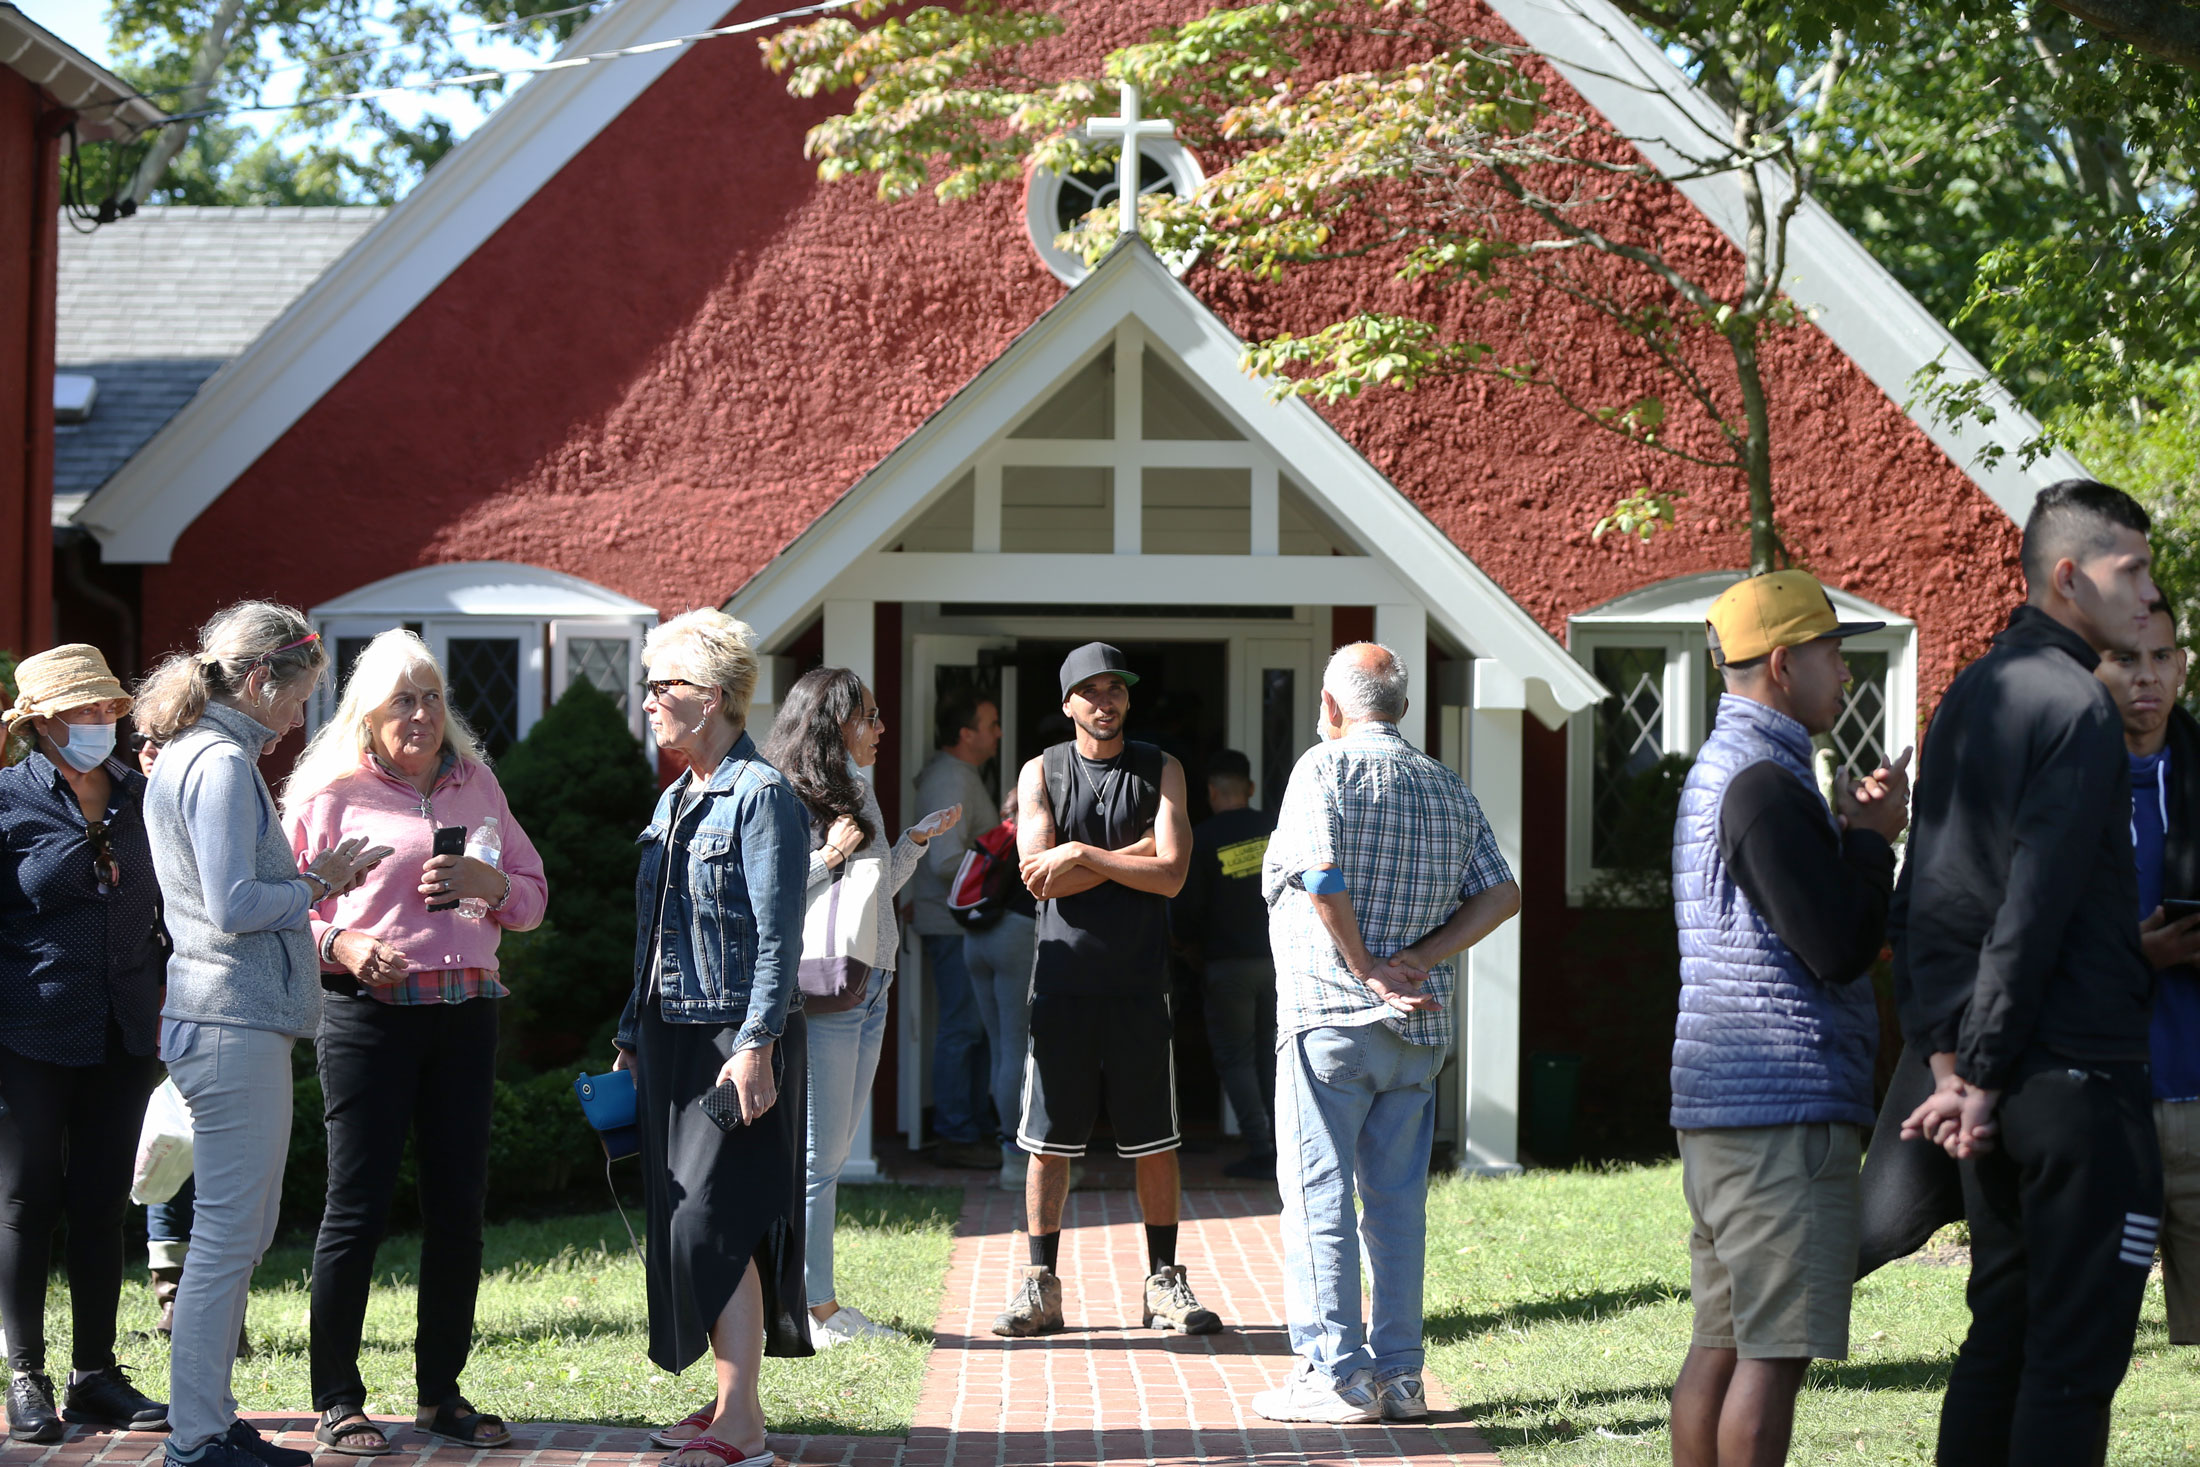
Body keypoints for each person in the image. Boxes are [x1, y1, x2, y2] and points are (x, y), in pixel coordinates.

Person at [1896, 479, 2163, 1465]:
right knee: (2071, 1362)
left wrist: (1948, 1063)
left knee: (2003, 1338)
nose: (2147, 592)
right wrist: (1981, 1071)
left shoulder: (1970, 692)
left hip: (1995, 1083)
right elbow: (2029, 907)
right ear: (2066, 577)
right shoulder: (2075, 709)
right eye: (2128, 569)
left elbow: (1922, 894)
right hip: (2072, 1086)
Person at [280, 629, 549, 1453]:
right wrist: (345, 946)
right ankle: (337, 1397)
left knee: (458, 1209)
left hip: (467, 1011)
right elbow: (283, 908)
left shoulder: (478, 787)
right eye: (404, 698)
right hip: (368, 1016)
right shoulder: (328, 793)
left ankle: (441, 1394)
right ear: (367, 712)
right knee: (355, 1208)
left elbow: (534, 899)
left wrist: (490, 883)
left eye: (433, 695)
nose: (423, 712)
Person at [1663, 573, 1910, 1467]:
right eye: (1834, 653)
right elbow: (1836, 945)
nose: (1845, 673)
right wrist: (1874, 840)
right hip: (1782, 1111)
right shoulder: (1766, 782)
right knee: (1772, 1359)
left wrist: (1850, 835)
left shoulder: (1730, 769)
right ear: (1781, 664)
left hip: (1726, 1105)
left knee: (1720, 1346)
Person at [137, 602, 389, 1467]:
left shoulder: (201, 752)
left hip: (225, 1020)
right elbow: (232, 903)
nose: (298, 719)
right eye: (297, 698)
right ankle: (198, 1436)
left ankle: (206, 1417)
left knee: (236, 1227)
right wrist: (319, 880)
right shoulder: (216, 763)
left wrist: (311, 881)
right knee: (227, 1235)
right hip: (229, 1020)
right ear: (257, 681)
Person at [1251, 643, 1520, 1424]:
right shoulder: (1444, 782)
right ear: (1398, 706)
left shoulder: (1321, 768)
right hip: (1417, 1025)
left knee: (1318, 1199)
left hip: (1329, 1016)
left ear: (1333, 707)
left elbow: (1322, 873)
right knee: (1397, 1204)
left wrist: (1367, 963)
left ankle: (1334, 1376)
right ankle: (1401, 1377)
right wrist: (1419, 959)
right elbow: (1501, 892)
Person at [614, 609, 811, 1467]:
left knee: (713, 1219)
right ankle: (734, 1400)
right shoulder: (675, 796)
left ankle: (744, 1427)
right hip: (668, 1036)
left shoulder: (763, 795)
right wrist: (630, 1032)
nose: (651, 700)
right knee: (685, 1218)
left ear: (721, 698)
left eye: (669, 686)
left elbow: (778, 935)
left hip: (735, 1036)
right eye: (650, 684)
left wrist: (758, 1042)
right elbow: (654, 931)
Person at [993, 643, 1221, 1339]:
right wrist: (1134, 859)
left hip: (1139, 981)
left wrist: (1084, 853)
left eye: (1115, 687)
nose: (1105, 700)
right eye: (1089, 690)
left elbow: (1176, 871)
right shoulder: (1042, 770)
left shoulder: (1162, 767)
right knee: (1048, 1141)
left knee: (1156, 1138)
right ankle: (1041, 1287)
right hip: (1062, 979)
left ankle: (1164, 1284)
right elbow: (1039, 875)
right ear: (1067, 704)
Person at [0, 645, 170, 1440]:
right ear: (41, 722)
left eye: (108, 707)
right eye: (82, 711)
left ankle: (95, 1373)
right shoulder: (7, 801)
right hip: (29, 1028)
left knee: (103, 1204)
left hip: (125, 1026)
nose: (102, 721)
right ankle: (24, 1374)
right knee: (29, 1199)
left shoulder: (143, 793)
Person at [762, 667, 958, 1351]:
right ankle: (814, 1309)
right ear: (833, 722)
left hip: (871, 982)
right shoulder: (786, 794)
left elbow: (877, 889)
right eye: (868, 716)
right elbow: (773, 892)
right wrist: (829, 854)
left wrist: (913, 842)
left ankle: (821, 1301)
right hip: (825, 990)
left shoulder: (859, 791)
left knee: (835, 1151)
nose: (880, 728)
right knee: (818, 1157)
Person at [2096, 597, 2200, 1344]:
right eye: (2126, 658)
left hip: (2197, 1093)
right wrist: (2134, 950)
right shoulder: (2066, 785)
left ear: (2184, 667)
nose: (2146, 677)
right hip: (2104, 1099)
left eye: (2161, 657)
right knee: (2089, 1344)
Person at [1172, 748, 1279, 1180]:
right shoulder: (1275, 829)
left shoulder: (1202, 837)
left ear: (1212, 792)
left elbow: (1185, 910)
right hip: (1277, 962)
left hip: (1227, 965)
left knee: (1236, 1057)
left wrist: (1185, 946)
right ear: (1250, 788)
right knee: (1274, 1054)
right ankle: (1285, 1147)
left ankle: (1260, 1149)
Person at [908, 689, 1001, 1169]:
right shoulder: (949, 779)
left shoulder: (960, 776)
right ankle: (956, 1136)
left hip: (963, 926)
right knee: (964, 1029)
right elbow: (944, 860)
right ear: (965, 734)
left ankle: (975, 1128)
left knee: (977, 1029)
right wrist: (1003, 865)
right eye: (990, 724)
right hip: (952, 925)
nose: (998, 733)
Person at [962, 787, 1038, 1193]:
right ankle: (1016, 1162)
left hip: (977, 941)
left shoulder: (999, 833)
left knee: (999, 1048)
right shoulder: (1036, 836)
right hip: (1016, 938)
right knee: (1016, 1050)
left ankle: (1009, 1152)